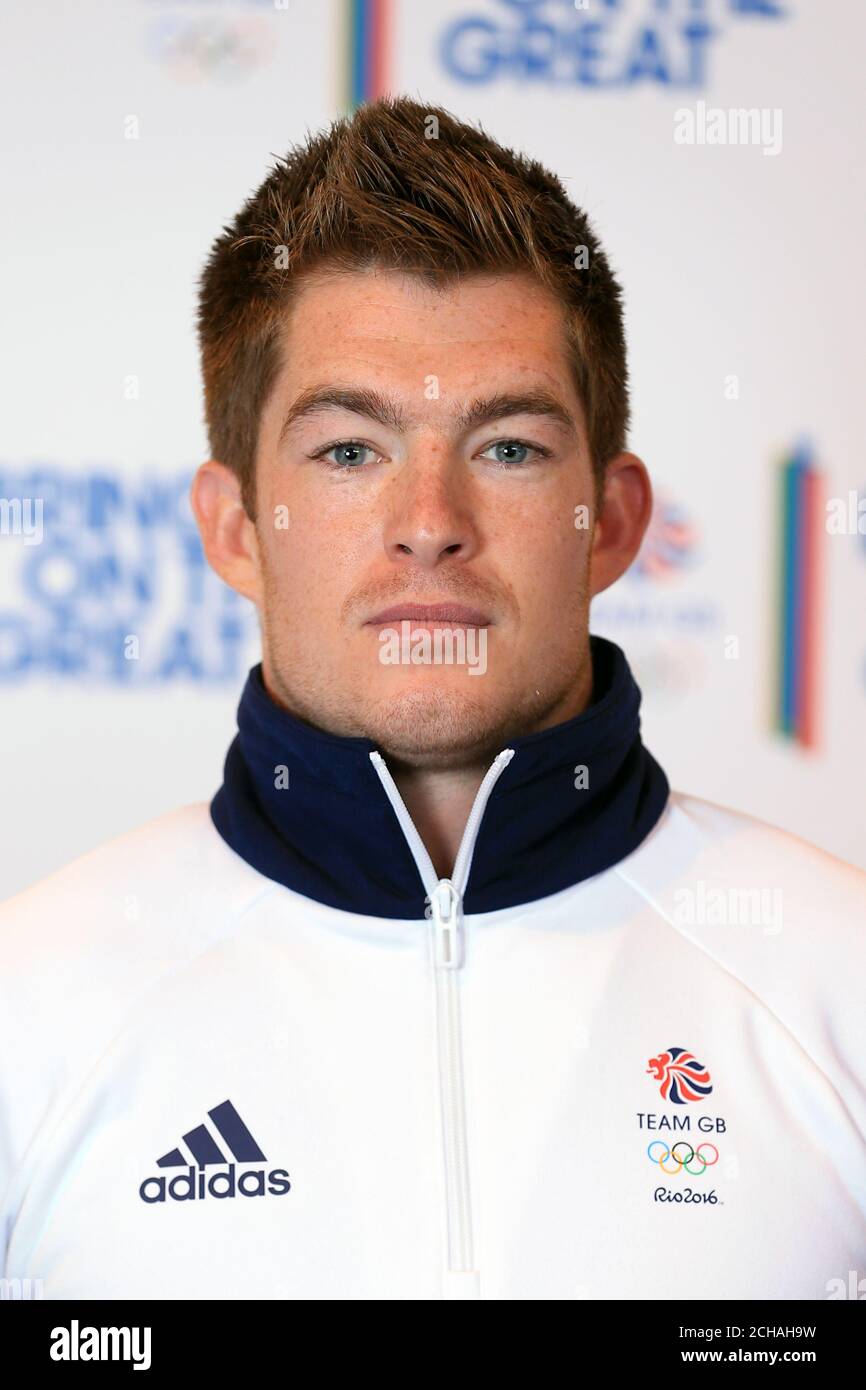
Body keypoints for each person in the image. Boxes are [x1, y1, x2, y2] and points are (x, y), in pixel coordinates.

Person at [1, 96, 864, 1302]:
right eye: (349, 450)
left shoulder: (838, 980)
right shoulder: (28, 1006)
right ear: (236, 525)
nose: (429, 528)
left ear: (610, 520)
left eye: (506, 447)